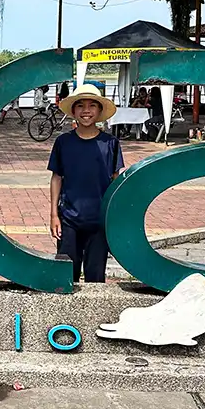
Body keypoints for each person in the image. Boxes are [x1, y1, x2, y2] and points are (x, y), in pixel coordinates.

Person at [48, 84, 125, 283]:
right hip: (69, 220)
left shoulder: (110, 143)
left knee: (95, 278)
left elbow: (116, 181)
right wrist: (54, 215)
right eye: (80, 105)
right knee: (65, 278)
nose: (86, 110)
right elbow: (57, 177)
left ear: (99, 111)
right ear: (73, 110)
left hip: (99, 222)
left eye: (92, 105)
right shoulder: (63, 142)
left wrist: (115, 219)